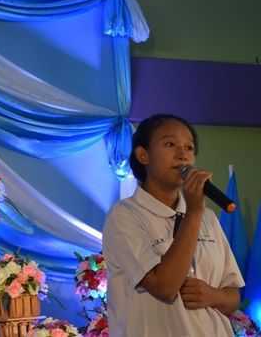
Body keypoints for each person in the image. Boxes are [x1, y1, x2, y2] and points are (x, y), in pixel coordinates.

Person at [102, 114, 244, 337]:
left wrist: (213, 296)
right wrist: (194, 213)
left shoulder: (207, 218)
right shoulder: (124, 216)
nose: (182, 155)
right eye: (170, 144)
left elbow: (233, 296)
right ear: (143, 155)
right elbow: (165, 287)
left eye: (189, 147)